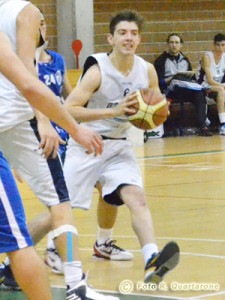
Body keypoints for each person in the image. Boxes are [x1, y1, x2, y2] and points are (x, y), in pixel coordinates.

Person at [0, 2, 117, 300]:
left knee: (53, 205)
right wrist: (52, 123)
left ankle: (75, 284)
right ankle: (75, 285)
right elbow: (27, 77)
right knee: (46, 215)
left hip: (13, 123)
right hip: (15, 119)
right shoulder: (25, 11)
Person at [63, 9, 180, 284]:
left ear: (140, 39)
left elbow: (157, 101)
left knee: (135, 197)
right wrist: (114, 111)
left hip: (119, 146)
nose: (129, 38)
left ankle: (152, 260)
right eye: (123, 33)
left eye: (134, 33)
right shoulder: (97, 70)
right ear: (110, 38)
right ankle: (11, 261)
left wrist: (159, 111)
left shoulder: (146, 69)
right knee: (62, 209)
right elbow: (68, 109)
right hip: (86, 143)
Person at [154, 33, 213, 137]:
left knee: (199, 94)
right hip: (169, 91)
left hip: (185, 89)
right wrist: (171, 79)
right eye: (171, 42)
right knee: (176, 80)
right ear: (168, 44)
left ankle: (203, 126)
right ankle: (181, 81)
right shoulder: (161, 60)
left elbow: (191, 78)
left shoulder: (185, 60)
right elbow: (157, 82)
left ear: (181, 45)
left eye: (177, 42)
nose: (174, 45)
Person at [195, 33, 225, 134]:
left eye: (223, 45)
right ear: (214, 45)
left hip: (217, 86)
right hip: (202, 85)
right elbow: (210, 80)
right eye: (218, 45)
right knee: (221, 90)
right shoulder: (207, 57)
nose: (220, 48)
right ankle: (223, 125)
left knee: (221, 90)